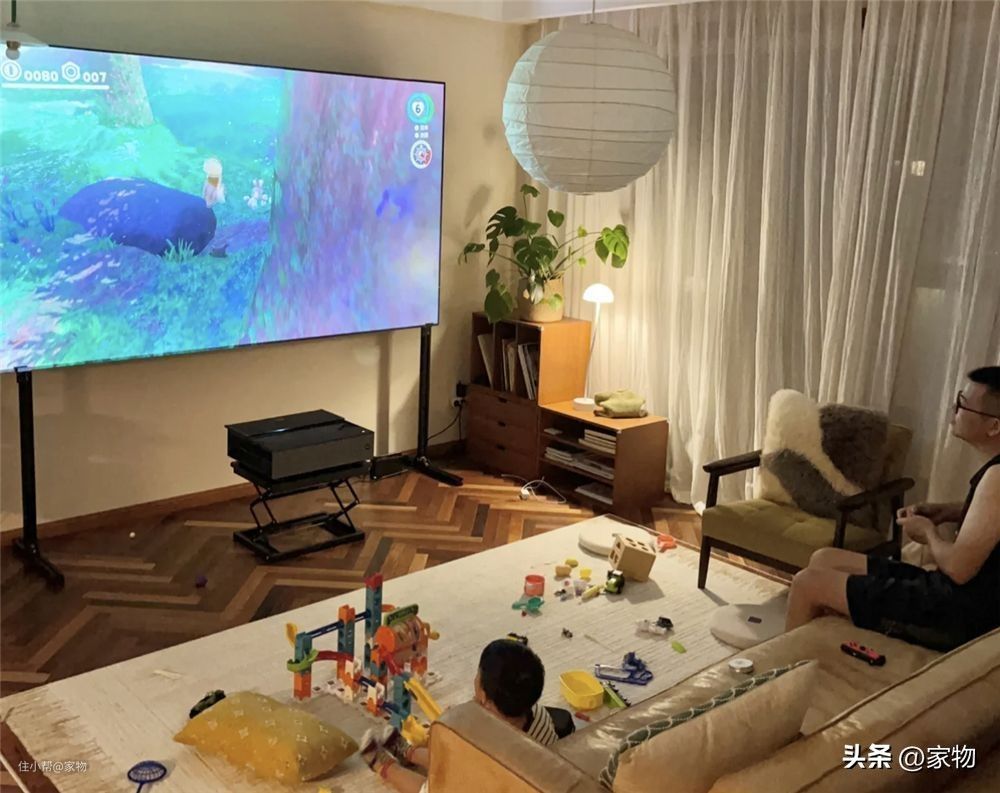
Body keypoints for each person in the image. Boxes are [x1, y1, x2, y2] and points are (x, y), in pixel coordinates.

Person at [785, 366, 1000, 651]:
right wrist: (949, 511)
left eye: (963, 404)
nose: (954, 409)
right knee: (825, 558)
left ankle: (784, 668)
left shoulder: (997, 478)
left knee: (807, 583)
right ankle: (820, 649)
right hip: (950, 595)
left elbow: (959, 569)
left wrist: (928, 533)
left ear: (994, 426)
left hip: (954, 614)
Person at [360, 638, 558, 793]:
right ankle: (409, 752)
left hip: (494, 781)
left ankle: (386, 767)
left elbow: (451, 761)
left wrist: (445, 733)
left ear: (484, 698)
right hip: (526, 779)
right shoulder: (540, 715)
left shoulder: (479, 746)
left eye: (478, 675)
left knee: (436, 785)